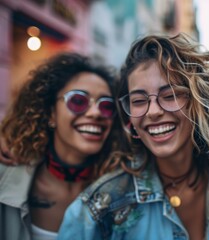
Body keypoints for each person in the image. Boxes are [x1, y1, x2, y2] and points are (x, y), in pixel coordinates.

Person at [57, 33, 209, 240]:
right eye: (138, 101)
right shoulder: (99, 210)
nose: (153, 111)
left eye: (170, 96)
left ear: (197, 102)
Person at [0, 52, 120, 240]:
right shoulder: (5, 178)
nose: (96, 113)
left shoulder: (123, 191)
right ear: (50, 114)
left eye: (106, 106)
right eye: (78, 101)